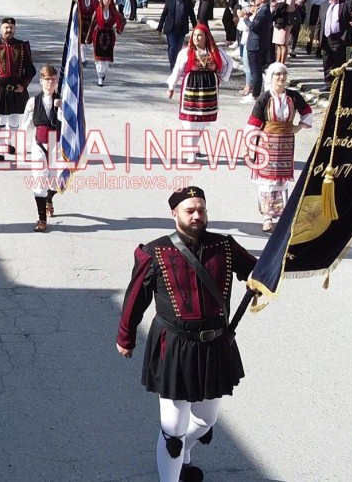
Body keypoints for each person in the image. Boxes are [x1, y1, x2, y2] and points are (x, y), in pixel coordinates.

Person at [116, 186, 258, 482]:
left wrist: (272, 269)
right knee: (173, 430)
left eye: (201, 210)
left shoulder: (225, 246)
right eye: (190, 210)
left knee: (206, 421)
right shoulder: (154, 252)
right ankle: (173, 470)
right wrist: (125, 337)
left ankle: (183, 456)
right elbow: (134, 298)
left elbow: (257, 272)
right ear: (174, 214)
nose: (197, 215)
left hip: (216, 345)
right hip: (174, 346)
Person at [246, 63, 313, 232]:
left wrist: (297, 127)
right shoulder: (265, 98)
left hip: (286, 144)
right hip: (267, 144)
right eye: (277, 75)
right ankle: (267, 217)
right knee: (267, 181)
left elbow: (307, 112)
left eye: (283, 75)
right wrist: (248, 145)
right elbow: (254, 123)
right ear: (271, 77)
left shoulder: (293, 96)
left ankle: (281, 216)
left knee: (282, 181)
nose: (281, 78)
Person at [166, 24, 233, 163]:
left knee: (202, 122)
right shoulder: (186, 52)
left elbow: (228, 63)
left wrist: (221, 77)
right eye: (194, 35)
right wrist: (171, 86)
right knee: (189, 121)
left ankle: (193, 147)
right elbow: (177, 70)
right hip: (191, 86)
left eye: (200, 35)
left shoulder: (215, 51)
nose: (196, 38)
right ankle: (191, 153)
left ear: (206, 37)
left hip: (209, 89)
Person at [0, 17, 37, 161]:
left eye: (11, 28)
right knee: (0, 120)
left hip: (17, 90)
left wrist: (23, 85)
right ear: (0, 29)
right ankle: (0, 150)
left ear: (14, 29)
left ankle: (10, 143)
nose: (8, 30)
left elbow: (31, 70)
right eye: (6, 27)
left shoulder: (22, 46)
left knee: (15, 121)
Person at [24, 64, 61, 232]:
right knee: (39, 181)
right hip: (39, 144)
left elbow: (70, 125)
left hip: (57, 144)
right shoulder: (33, 101)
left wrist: (62, 108)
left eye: (53, 80)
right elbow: (26, 124)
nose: (49, 83)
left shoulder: (63, 101)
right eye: (47, 80)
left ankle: (49, 199)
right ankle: (42, 219)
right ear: (41, 81)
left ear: (56, 81)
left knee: (55, 180)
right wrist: (24, 147)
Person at [317, 0, 352, 86]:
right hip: (326, 37)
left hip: (339, 37)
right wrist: (316, 37)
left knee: (338, 62)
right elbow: (319, 22)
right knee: (327, 61)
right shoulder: (323, 5)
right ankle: (328, 84)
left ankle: (338, 84)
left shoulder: (347, 3)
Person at [86, 0, 125, 87]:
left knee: (106, 59)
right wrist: (88, 37)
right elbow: (92, 25)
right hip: (98, 35)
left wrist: (118, 28)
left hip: (109, 36)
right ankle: (100, 77)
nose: (106, 1)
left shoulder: (113, 11)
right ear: (102, 0)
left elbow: (123, 20)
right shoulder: (98, 11)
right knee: (99, 59)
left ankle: (103, 73)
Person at [157, 0, 196, 71]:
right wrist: (160, 27)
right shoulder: (170, 1)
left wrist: (196, 28)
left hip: (181, 29)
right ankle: (173, 66)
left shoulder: (188, 2)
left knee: (178, 49)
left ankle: (177, 65)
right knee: (172, 47)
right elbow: (164, 14)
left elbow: (192, 16)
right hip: (171, 29)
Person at [244, 0, 272, 101]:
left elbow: (254, 27)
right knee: (255, 69)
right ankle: (255, 93)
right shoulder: (261, 9)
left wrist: (245, 18)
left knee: (255, 70)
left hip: (256, 44)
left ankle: (255, 94)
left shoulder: (264, 10)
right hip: (255, 42)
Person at [76, 0, 97, 66]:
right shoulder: (79, 0)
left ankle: (83, 56)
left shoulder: (94, 0)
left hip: (90, 23)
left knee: (88, 41)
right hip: (81, 22)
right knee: (82, 42)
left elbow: (98, 10)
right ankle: (83, 59)